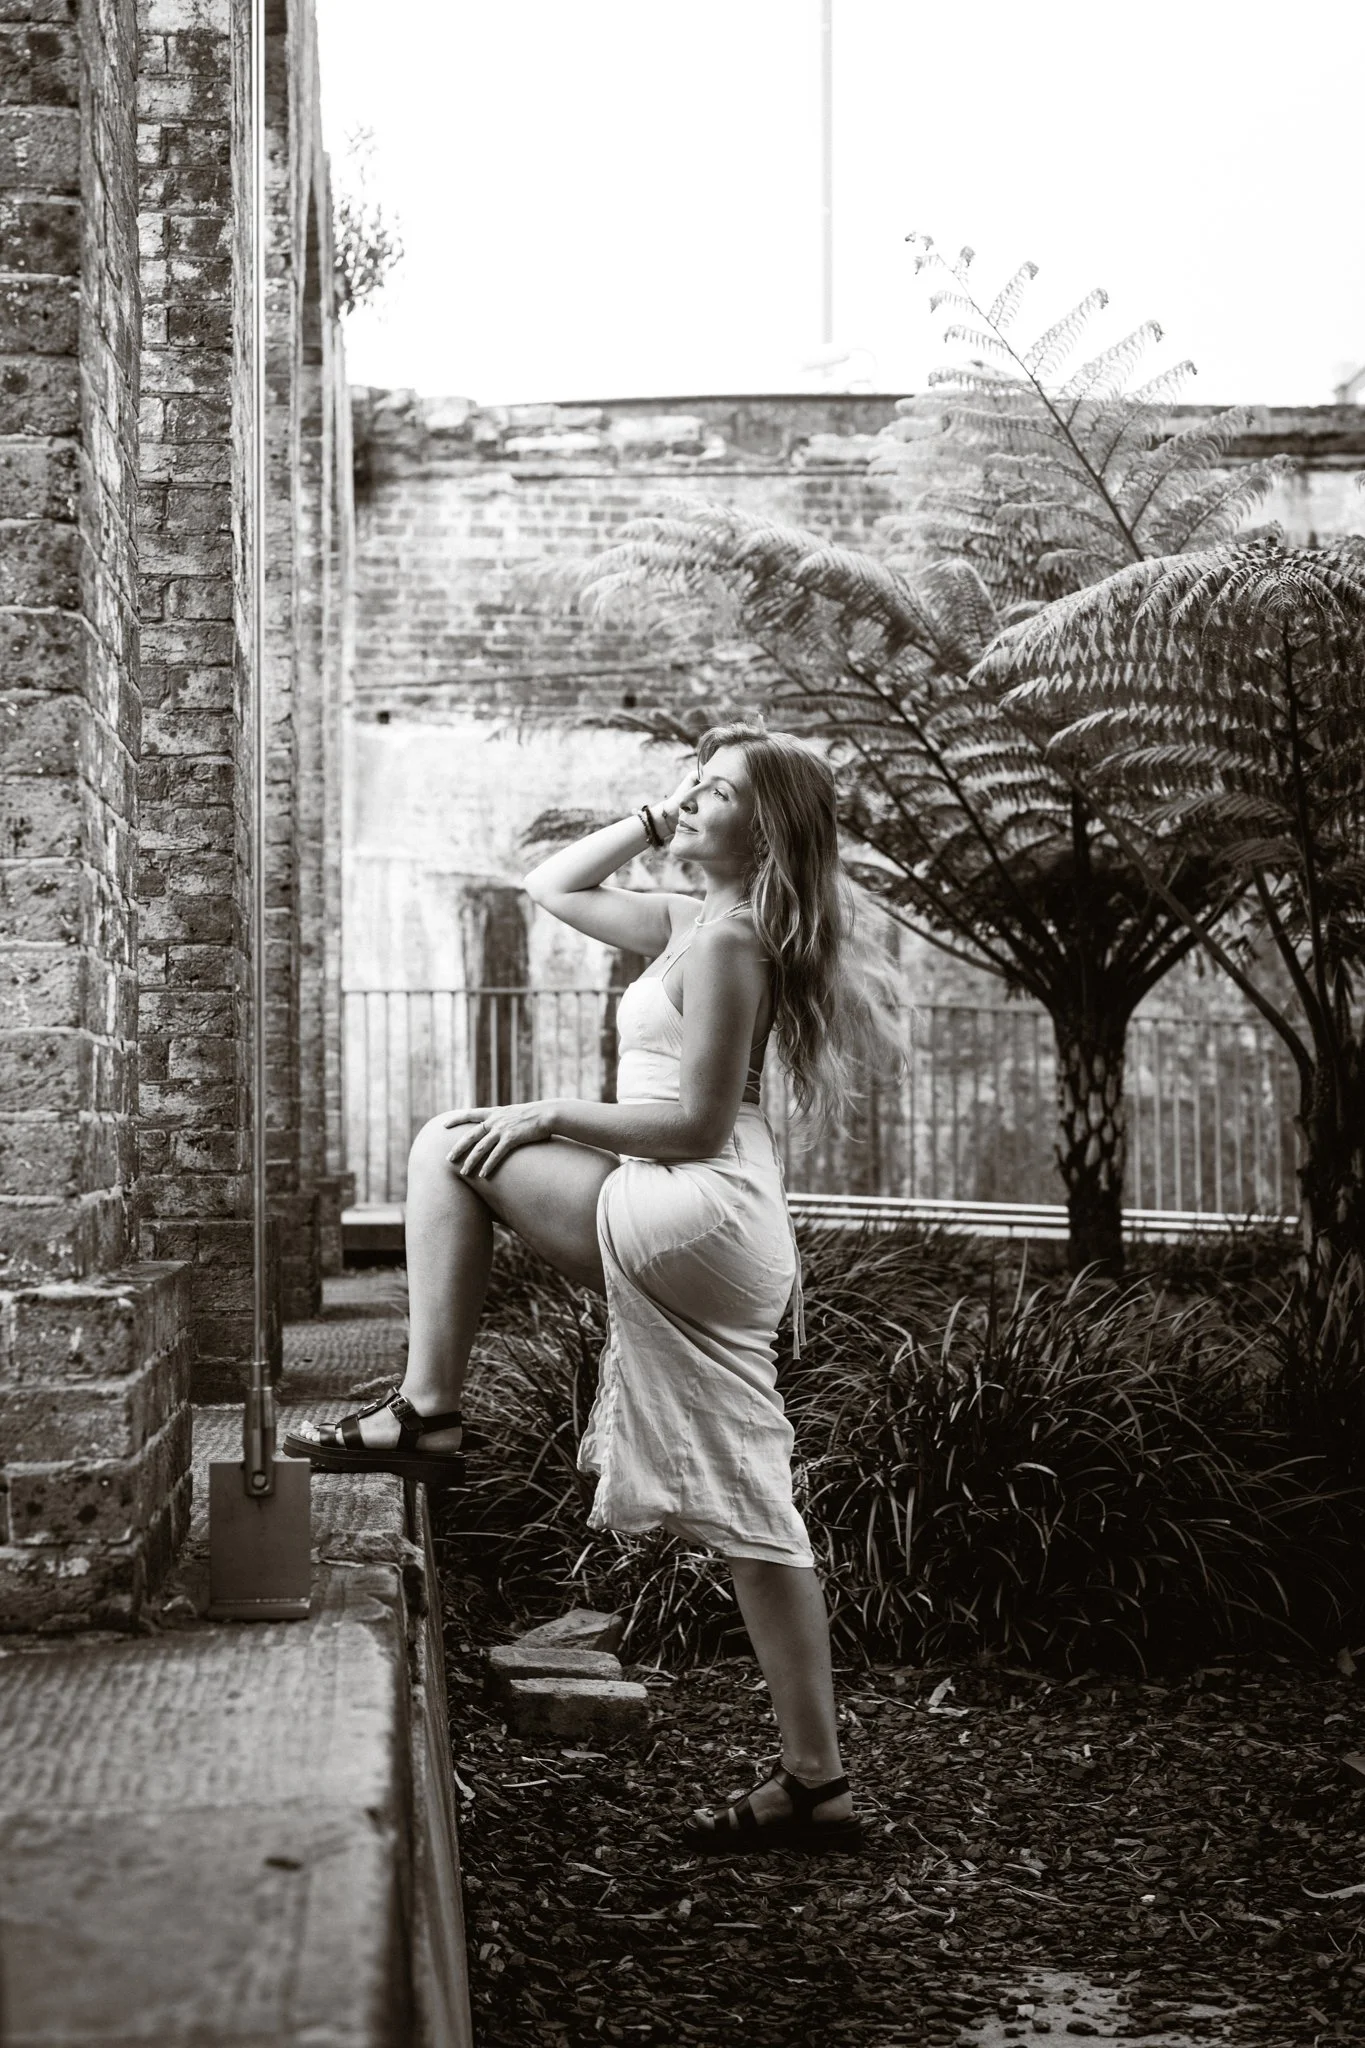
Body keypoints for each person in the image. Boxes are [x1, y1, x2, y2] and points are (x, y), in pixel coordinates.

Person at [288, 721, 893, 1857]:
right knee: (759, 1508)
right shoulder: (694, 921)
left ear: (768, 828)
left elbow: (698, 1121)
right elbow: (552, 880)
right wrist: (662, 816)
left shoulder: (730, 940)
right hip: (722, 1223)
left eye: (718, 794)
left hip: (694, 1202)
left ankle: (428, 1407)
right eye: (693, 787)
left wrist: (553, 1112)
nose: (693, 802)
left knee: (447, 1147)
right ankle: (816, 1780)